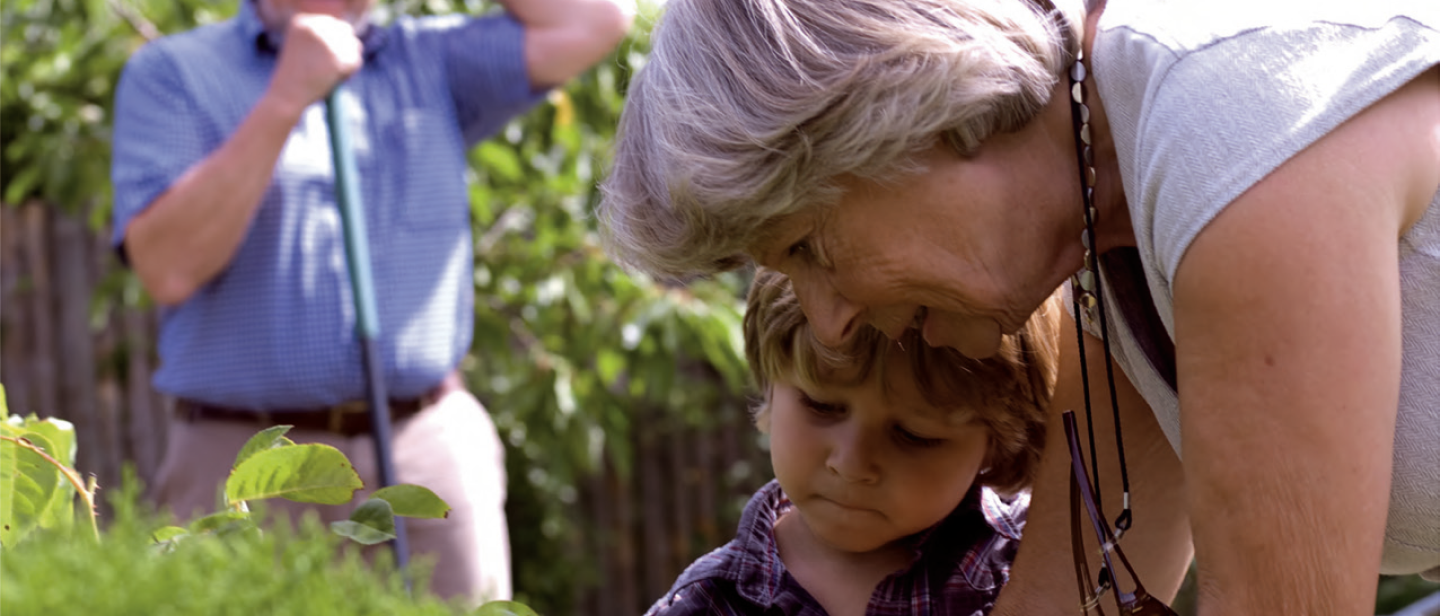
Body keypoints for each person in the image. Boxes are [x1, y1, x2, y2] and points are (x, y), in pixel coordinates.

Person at [597, 0, 1440, 614]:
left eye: (810, 250)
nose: (827, 321)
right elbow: (1065, 601)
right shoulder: (1105, 237)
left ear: (906, 114)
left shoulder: (1226, 121)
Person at [111, 0, 632, 604]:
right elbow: (168, 268)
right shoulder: (174, 72)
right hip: (246, 461)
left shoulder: (429, 57)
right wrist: (285, 99)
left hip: (427, 443)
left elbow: (599, 20)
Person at [646, 268, 1057, 616]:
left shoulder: (1042, 556)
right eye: (822, 406)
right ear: (772, 387)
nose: (852, 463)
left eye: (914, 435)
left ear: (998, 442)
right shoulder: (708, 603)